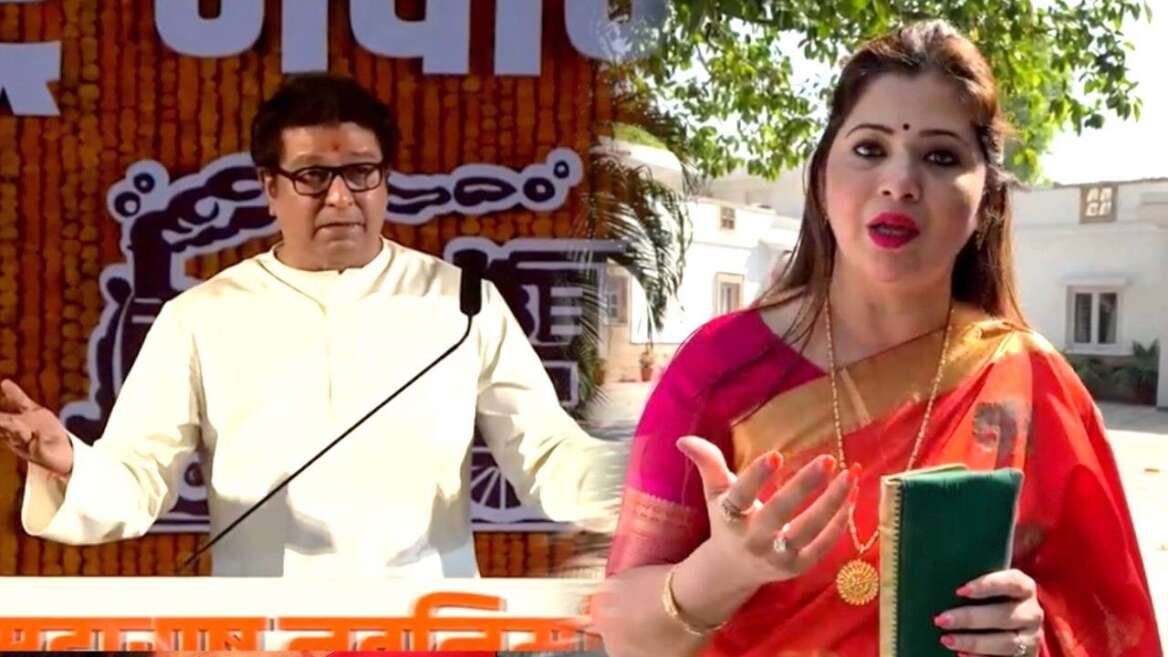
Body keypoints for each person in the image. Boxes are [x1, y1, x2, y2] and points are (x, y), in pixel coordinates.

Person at [594, 20, 1161, 657]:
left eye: (941, 157)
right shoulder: (720, 367)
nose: (900, 182)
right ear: (821, 180)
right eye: (869, 148)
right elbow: (622, 634)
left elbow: (1111, 625)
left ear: (988, 203)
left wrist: (1034, 633)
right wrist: (723, 570)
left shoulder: (1030, 382)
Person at [0, 73, 620, 577]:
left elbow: (547, 458)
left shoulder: (461, 303)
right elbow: (137, 480)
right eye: (313, 177)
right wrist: (67, 461)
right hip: (263, 634)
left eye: (361, 173)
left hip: (428, 628)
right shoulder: (202, 317)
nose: (341, 198)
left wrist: (648, 474)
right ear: (270, 187)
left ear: (385, 179)